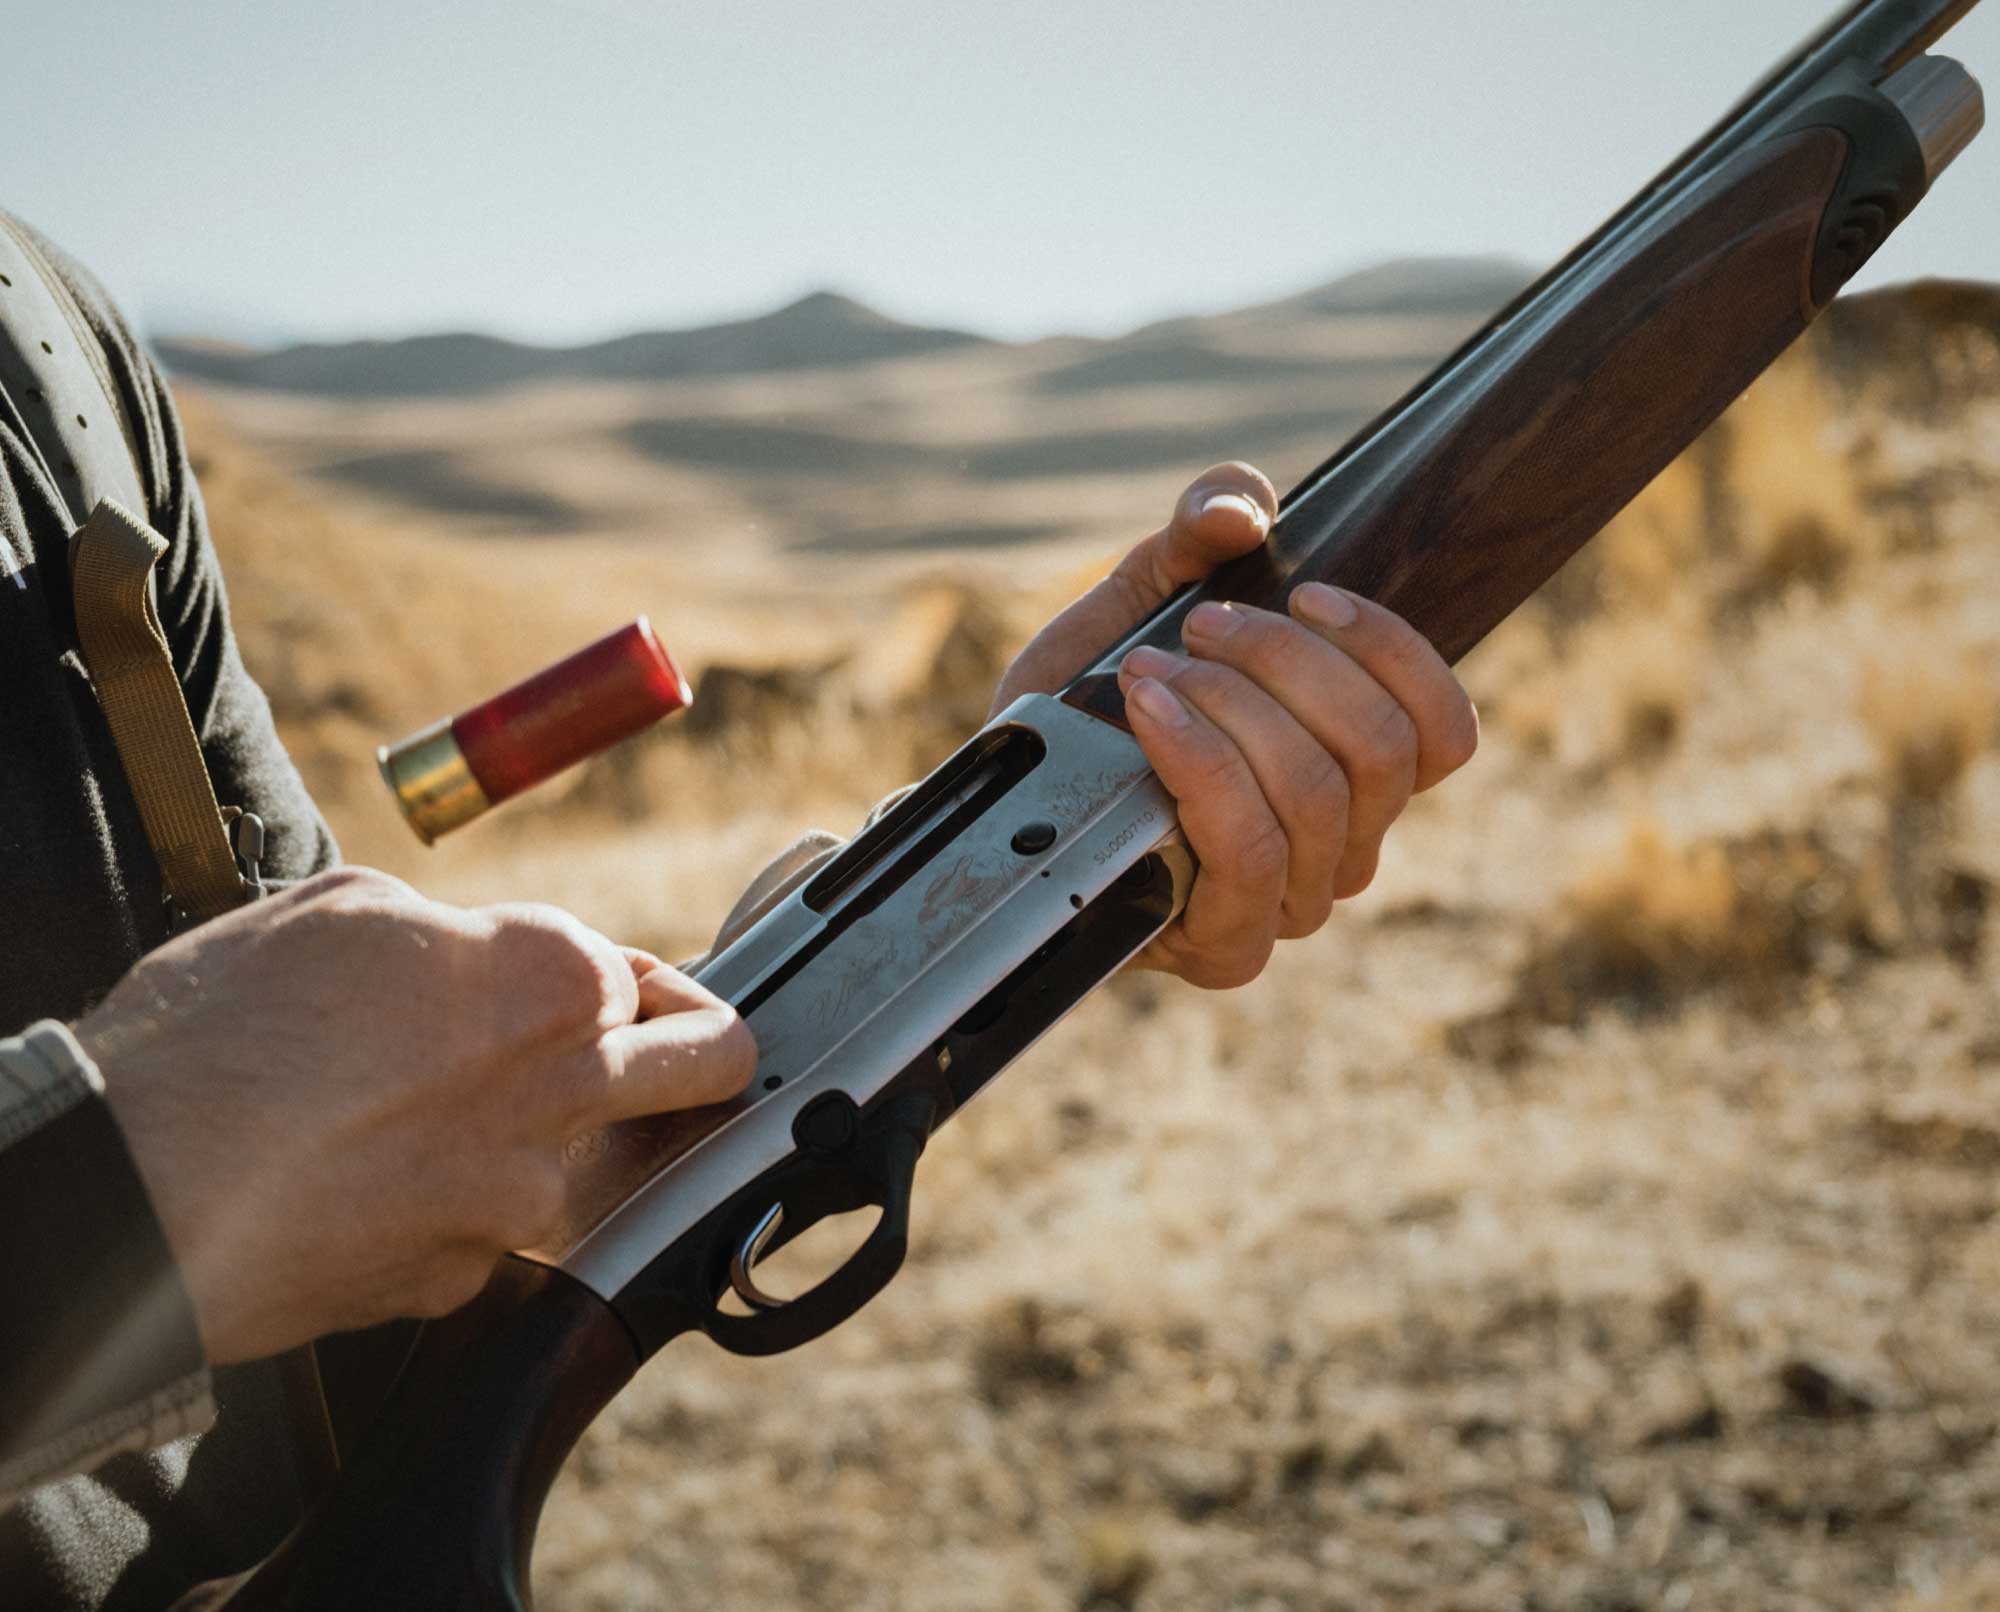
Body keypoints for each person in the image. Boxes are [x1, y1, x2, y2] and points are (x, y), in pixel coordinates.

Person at [0, 217, 1478, 1611]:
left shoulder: (47, 338)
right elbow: (217, 1124)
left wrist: (1022, 847)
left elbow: (368, 1159)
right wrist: (129, 1181)